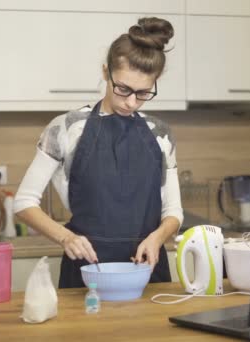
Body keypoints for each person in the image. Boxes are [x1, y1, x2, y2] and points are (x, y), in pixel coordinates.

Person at [13, 17, 184, 288]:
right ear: (106, 72)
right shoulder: (66, 128)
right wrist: (65, 237)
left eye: (143, 93)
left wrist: (158, 238)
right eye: (123, 89)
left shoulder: (160, 133)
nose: (130, 102)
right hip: (87, 270)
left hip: (147, 271)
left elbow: (174, 211)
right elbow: (23, 202)